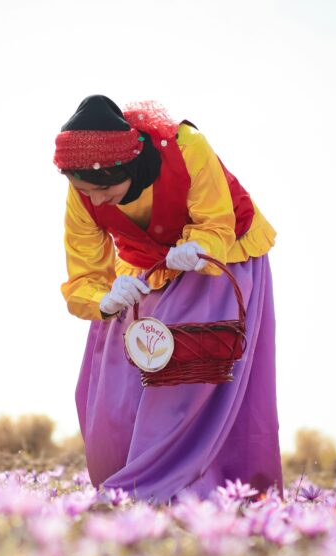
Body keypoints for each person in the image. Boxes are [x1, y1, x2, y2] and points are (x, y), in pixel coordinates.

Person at [54, 95, 282, 503]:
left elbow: (216, 224)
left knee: (188, 368)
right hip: (146, 264)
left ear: (128, 167)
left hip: (220, 258)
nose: (97, 199)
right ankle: (123, 485)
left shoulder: (189, 148)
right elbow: (85, 274)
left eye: (105, 187)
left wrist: (196, 250)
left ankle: (181, 492)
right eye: (85, 190)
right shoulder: (84, 191)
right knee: (114, 372)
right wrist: (106, 298)